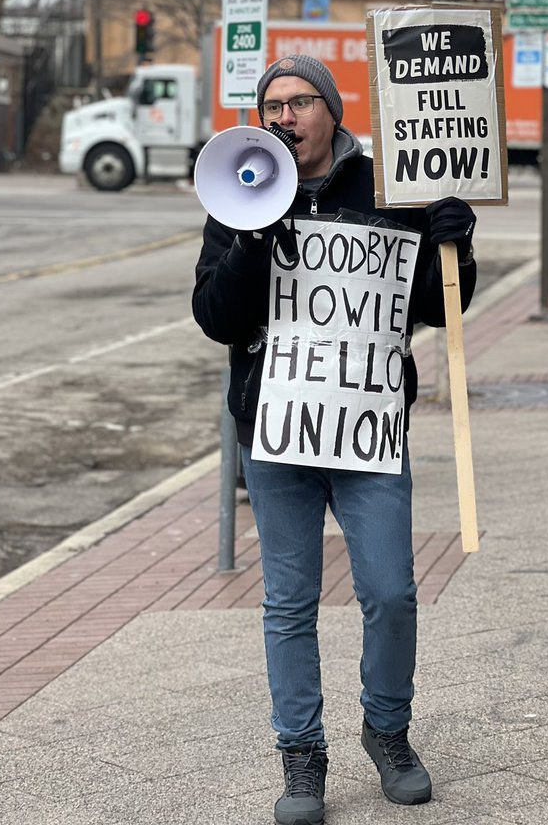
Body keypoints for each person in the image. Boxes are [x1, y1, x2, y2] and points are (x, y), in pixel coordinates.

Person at [193, 54, 477, 825]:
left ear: (334, 111)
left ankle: (388, 731)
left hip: (365, 431)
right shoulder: (237, 189)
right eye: (272, 105)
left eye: (301, 101)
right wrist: (254, 240)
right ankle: (302, 754)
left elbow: (437, 307)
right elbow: (214, 316)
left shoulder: (389, 188)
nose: (284, 117)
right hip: (277, 434)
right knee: (289, 601)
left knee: (391, 590)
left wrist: (454, 242)